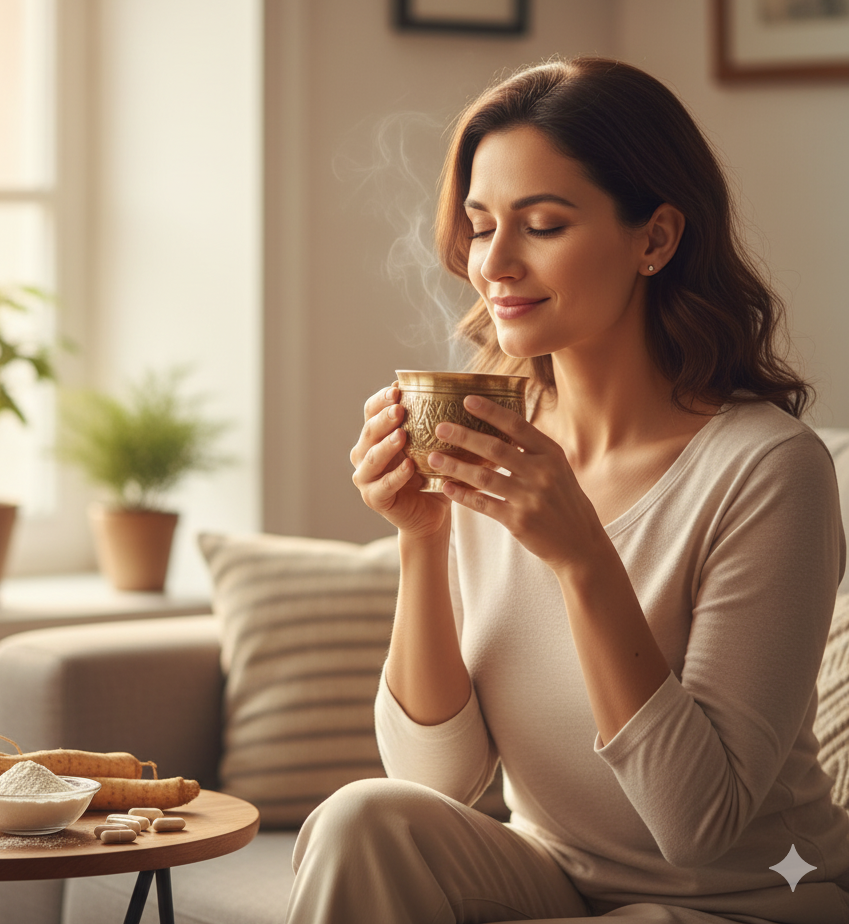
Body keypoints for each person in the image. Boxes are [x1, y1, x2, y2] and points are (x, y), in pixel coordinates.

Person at [284, 58, 849, 924]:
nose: (495, 263)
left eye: (542, 224)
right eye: (480, 226)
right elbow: (438, 782)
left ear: (655, 240)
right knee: (361, 819)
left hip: (737, 902)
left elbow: (697, 826)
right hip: (555, 881)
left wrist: (584, 556)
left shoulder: (769, 471)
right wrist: (422, 536)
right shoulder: (494, 438)